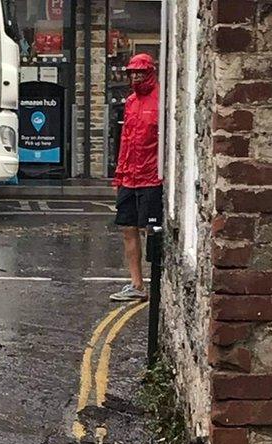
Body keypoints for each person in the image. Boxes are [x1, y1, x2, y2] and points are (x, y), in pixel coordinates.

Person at [110, 53, 162, 302]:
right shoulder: (130, 102)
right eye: (132, 73)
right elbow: (125, 141)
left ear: (150, 72)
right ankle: (137, 284)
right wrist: (119, 176)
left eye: (141, 72)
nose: (137, 76)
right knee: (128, 229)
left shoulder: (162, 100)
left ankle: (160, 283)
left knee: (152, 231)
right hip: (130, 176)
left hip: (151, 177)